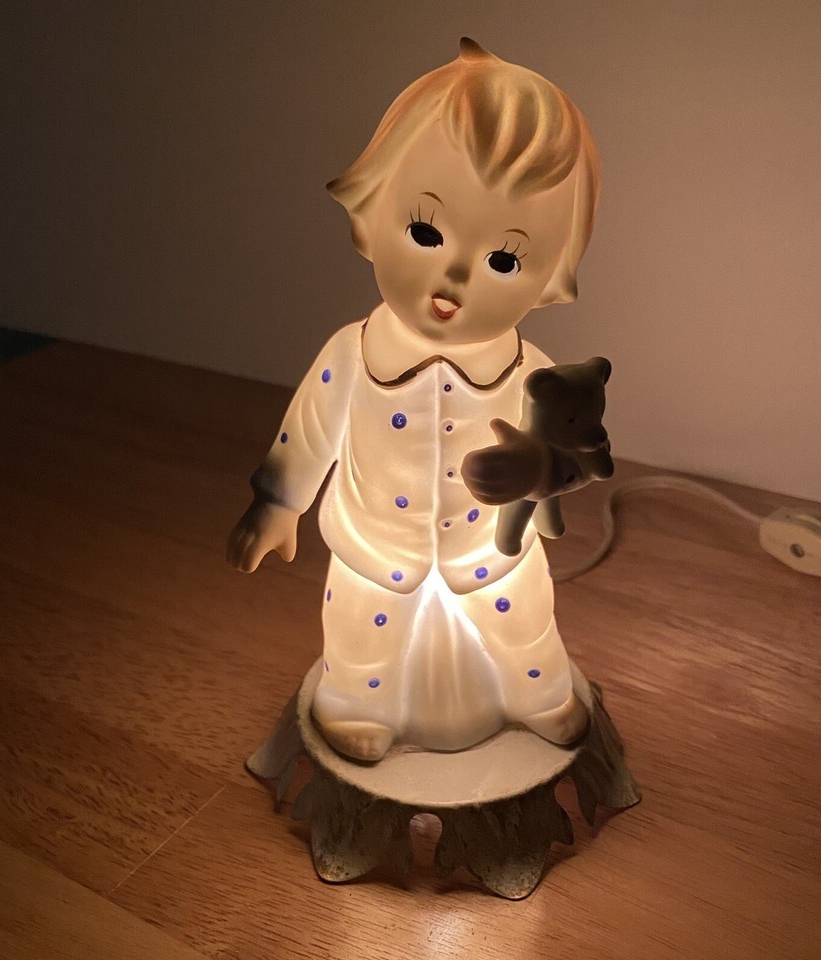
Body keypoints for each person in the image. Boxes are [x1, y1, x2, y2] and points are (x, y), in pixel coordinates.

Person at [228, 38, 603, 762]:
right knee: (359, 635)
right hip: (375, 551)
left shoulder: (533, 373)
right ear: (371, 217)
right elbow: (307, 431)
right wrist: (276, 503)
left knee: (525, 627)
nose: (455, 277)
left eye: (504, 259)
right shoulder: (353, 354)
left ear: (550, 278)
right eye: (426, 230)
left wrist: (539, 470)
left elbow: (580, 453)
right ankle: (356, 704)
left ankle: (539, 695)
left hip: (492, 557)